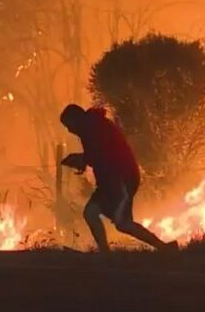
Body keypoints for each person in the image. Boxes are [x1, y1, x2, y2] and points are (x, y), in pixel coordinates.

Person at [60, 104, 177, 253]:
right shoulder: (90, 127)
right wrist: (83, 161)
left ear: (76, 119)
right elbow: (96, 156)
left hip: (121, 179)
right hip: (109, 182)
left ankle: (164, 248)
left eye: (69, 125)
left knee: (122, 223)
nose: (70, 130)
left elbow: (100, 154)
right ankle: (105, 253)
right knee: (91, 212)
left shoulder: (95, 127)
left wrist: (81, 160)